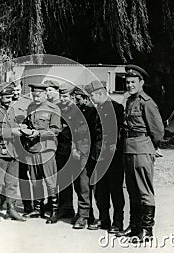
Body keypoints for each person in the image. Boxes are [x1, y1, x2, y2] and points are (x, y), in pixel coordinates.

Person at [117, 65, 164, 243]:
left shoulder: (147, 102)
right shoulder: (130, 101)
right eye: (127, 82)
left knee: (144, 190)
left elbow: (158, 130)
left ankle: (146, 230)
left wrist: (154, 146)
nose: (129, 85)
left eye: (133, 82)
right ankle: (134, 226)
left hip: (142, 148)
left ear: (141, 83)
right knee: (132, 189)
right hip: (128, 148)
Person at [83, 80, 125, 231]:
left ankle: (118, 222)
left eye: (92, 96)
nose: (91, 99)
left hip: (113, 158)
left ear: (100, 94)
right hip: (97, 157)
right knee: (100, 190)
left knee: (115, 190)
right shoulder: (95, 110)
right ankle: (104, 219)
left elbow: (120, 134)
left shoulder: (117, 108)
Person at [21, 82, 62, 224]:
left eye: (38, 95)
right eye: (34, 95)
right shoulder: (31, 107)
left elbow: (56, 130)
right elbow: (28, 123)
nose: (36, 97)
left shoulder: (53, 108)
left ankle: (54, 211)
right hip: (32, 148)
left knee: (50, 181)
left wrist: (38, 133)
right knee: (35, 180)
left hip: (46, 149)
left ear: (45, 94)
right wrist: (24, 128)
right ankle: (38, 208)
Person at [0, 83, 26, 222]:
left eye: (10, 97)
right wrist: (11, 131)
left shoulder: (11, 110)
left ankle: (11, 209)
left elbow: (12, 125)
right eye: (6, 97)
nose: (9, 100)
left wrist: (19, 128)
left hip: (12, 152)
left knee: (12, 183)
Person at [71, 87, 97, 229]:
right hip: (78, 152)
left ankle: (84, 216)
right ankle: (85, 213)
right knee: (78, 184)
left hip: (87, 153)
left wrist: (81, 150)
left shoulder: (92, 113)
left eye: (78, 98)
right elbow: (74, 133)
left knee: (84, 185)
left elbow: (92, 135)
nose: (75, 100)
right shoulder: (78, 112)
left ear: (86, 98)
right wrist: (74, 148)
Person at [10, 81, 34, 215]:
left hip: (24, 144)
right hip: (9, 143)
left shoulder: (27, 102)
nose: (16, 92)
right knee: (11, 176)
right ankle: (7, 204)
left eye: (18, 89)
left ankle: (28, 205)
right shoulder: (4, 101)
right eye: (13, 90)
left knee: (25, 176)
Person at [55, 84, 77, 220]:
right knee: (62, 180)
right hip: (62, 149)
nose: (62, 99)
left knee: (79, 184)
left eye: (65, 96)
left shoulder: (78, 110)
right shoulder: (58, 109)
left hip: (74, 149)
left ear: (72, 97)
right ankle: (65, 208)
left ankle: (84, 213)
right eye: (61, 96)